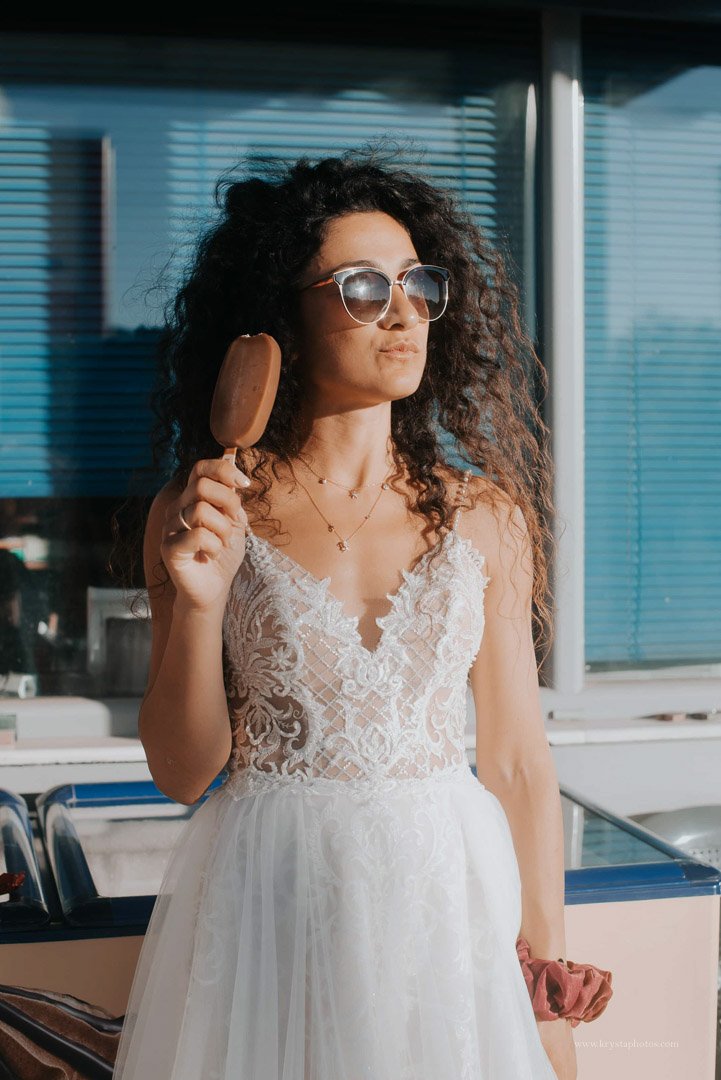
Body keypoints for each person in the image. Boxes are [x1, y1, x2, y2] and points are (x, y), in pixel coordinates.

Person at [111, 146, 578, 1079]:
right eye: (363, 286)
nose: (403, 311)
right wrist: (200, 605)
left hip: (448, 908)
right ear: (281, 313)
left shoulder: (487, 516)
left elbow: (520, 764)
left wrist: (546, 984)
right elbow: (180, 770)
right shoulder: (205, 508)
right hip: (267, 913)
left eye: (418, 282)